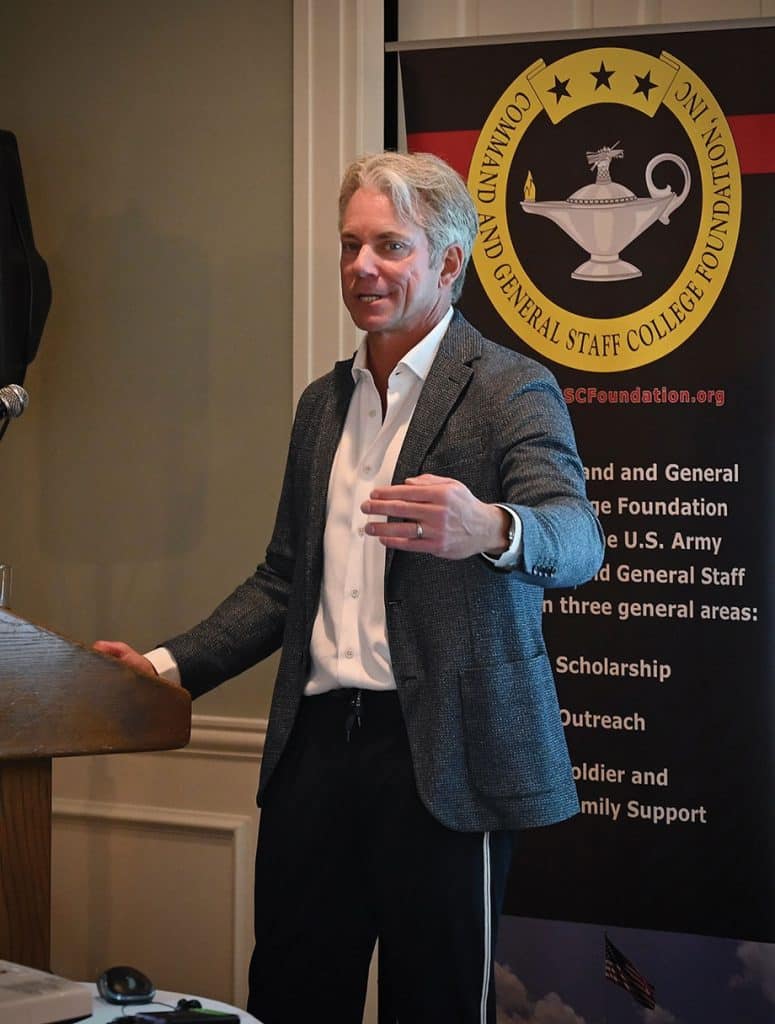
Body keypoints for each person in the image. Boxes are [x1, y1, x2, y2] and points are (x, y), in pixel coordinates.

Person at [96, 151, 604, 1024]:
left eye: (389, 247)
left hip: (443, 757)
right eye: (349, 245)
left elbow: (577, 535)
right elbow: (284, 581)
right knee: (290, 996)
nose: (362, 266)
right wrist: (166, 667)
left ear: (447, 264)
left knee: (436, 1005)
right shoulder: (320, 406)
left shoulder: (508, 386)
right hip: (316, 755)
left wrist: (490, 527)